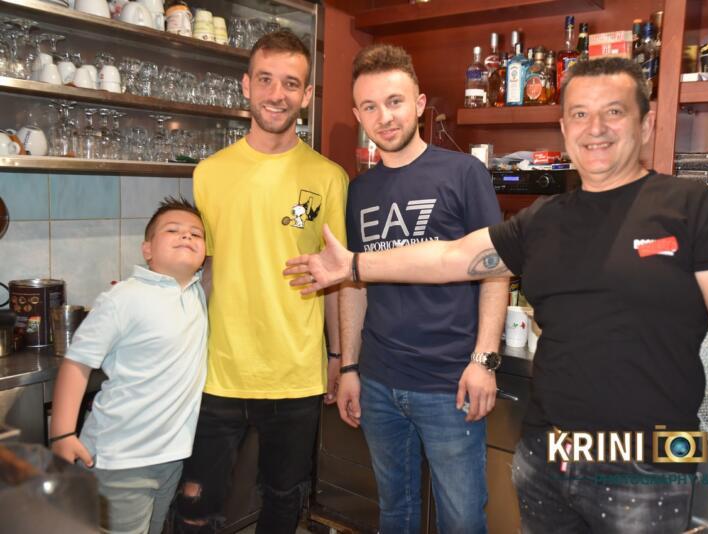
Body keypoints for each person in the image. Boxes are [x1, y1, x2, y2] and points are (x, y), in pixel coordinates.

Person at [285, 57, 708, 534]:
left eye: (614, 111)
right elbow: (452, 257)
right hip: (547, 455)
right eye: (580, 114)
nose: (595, 128)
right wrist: (353, 266)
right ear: (564, 129)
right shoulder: (544, 218)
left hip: (645, 461)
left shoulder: (692, 208)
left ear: (646, 125)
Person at [174, 29, 348, 534]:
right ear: (246, 85)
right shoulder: (209, 173)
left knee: (283, 501)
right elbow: (202, 269)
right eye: (266, 80)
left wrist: (339, 357)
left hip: (295, 372)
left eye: (291, 83)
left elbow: (338, 281)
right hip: (218, 370)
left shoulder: (329, 177)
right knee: (195, 505)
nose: (277, 94)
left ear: (307, 95)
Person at [337, 44, 508, 533]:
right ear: (358, 116)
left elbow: (495, 270)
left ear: (419, 103)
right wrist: (349, 367)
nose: (384, 117)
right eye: (370, 107)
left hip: (449, 383)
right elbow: (355, 281)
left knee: (461, 519)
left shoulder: (463, 173)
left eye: (394, 101)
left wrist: (484, 360)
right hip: (378, 380)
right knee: (396, 512)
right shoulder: (360, 190)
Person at [50, 196, 207, 534]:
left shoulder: (197, 294)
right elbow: (77, 363)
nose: (186, 236)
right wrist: (62, 433)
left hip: (171, 457)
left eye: (196, 234)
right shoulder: (124, 297)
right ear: (147, 249)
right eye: (173, 230)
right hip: (120, 458)